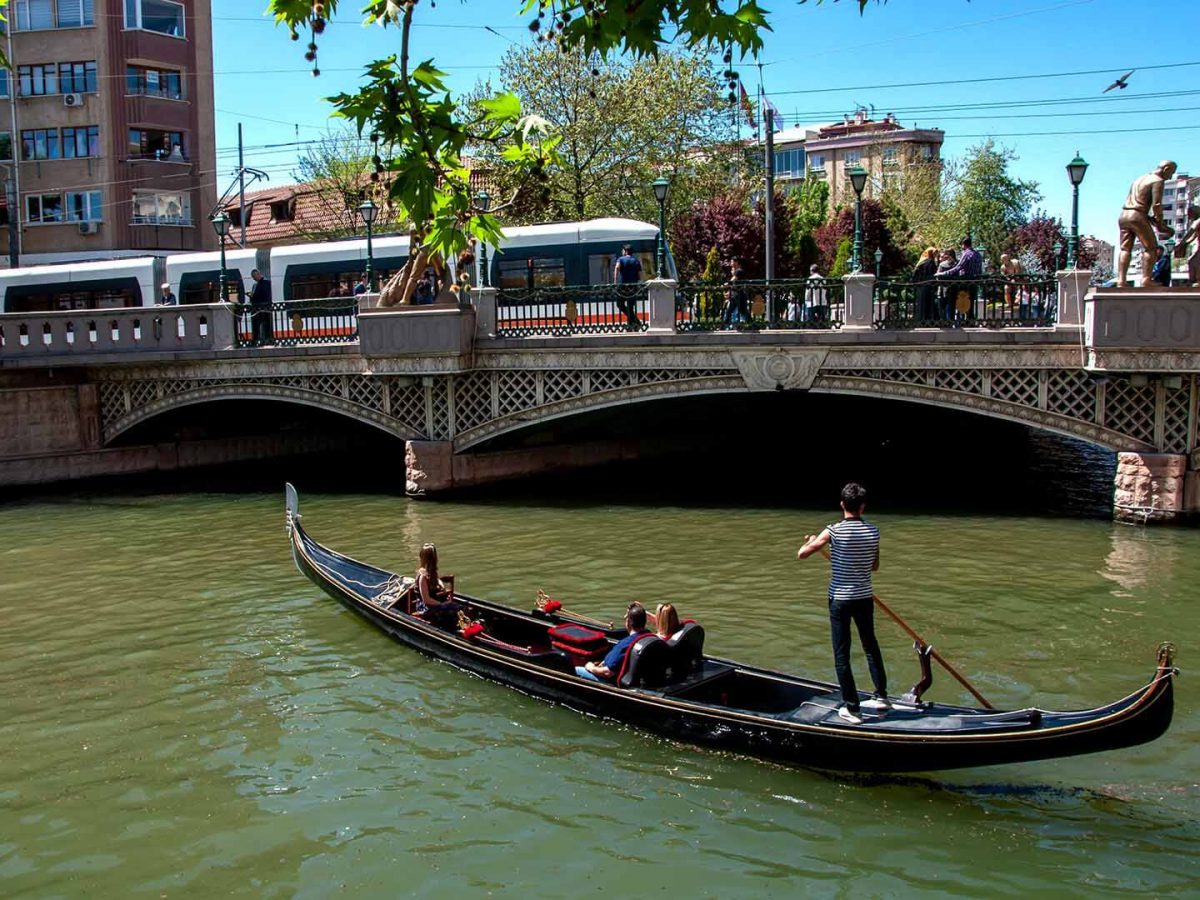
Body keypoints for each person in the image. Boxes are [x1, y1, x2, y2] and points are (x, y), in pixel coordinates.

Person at [796, 483, 888, 725]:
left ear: (841, 505)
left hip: (840, 599)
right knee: (871, 646)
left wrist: (814, 541)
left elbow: (802, 554)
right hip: (864, 597)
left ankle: (853, 709)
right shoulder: (874, 531)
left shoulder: (833, 531)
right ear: (863, 507)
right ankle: (881, 697)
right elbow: (874, 567)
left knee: (842, 655)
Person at [1117, 160, 1176, 288]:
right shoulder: (1157, 180)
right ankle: (1146, 280)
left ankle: (1121, 280)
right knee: (1151, 248)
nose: (1170, 177)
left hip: (1124, 215)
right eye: (1170, 173)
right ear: (1165, 169)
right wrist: (1160, 224)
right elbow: (1157, 205)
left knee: (1125, 248)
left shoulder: (1139, 179)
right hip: (1138, 215)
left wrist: (1148, 219)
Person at [576, 602, 650, 682]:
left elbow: (607, 672)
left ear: (628, 622)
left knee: (576, 669)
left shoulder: (625, 644)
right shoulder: (650, 637)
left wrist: (591, 667)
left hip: (615, 682)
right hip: (639, 679)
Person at [414, 542, 461, 629]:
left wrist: (440, 584)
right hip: (426, 607)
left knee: (459, 608)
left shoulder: (432, 572)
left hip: (434, 601)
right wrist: (441, 604)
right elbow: (426, 599)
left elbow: (437, 580)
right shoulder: (422, 577)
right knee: (450, 611)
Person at [937, 237, 983, 322]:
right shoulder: (978, 254)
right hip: (975, 282)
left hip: (965, 282)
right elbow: (980, 270)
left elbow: (958, 267)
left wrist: (944, 273)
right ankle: (970, 322)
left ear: (963, 244)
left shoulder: (966, 254)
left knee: (953, 297)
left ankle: (950, 320)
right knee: (970, 303)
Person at [613, 244, 643, 330]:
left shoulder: (621, 259)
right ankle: (633, 323)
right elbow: (640, 275)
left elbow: (617, 268)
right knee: (630, 306)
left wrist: (615, 281)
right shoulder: (636, 261)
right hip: (633, 286)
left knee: (620, 304)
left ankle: (633, 323)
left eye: (622, 250)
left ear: (625, 251)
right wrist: (639, 283)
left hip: (622, 286)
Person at [248, 268, 273, 346]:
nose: (254, 278)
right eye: (253, 277)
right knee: (255, 325)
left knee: (266, 325)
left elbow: (266, 295)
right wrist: (251, 296)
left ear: (258, 274)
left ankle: (267, 340)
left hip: (264, 308)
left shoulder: (267, 283)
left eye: (254, 276)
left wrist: (253, 295)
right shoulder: (254, 285)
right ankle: (256, 340)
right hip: (256, 309)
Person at [911, 248, 938, 323]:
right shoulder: (931, 262)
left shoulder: (921, 263)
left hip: (920, 287)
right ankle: (928, 321)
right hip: (928, 287)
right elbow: (932, 275)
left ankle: (920, 321)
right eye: (934, 253)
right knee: (927, 305)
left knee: (921, 304)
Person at [723, 259, 748, 327]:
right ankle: (724, 324)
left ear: (736, 262)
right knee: (731, 310)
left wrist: (726, 284)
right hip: (735, 294)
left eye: (732, 262)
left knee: (741, 310)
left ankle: (750, 324)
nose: (731, 263)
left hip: (738, 294)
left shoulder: (739, 271)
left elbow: (733, 280)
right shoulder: (736, 271)